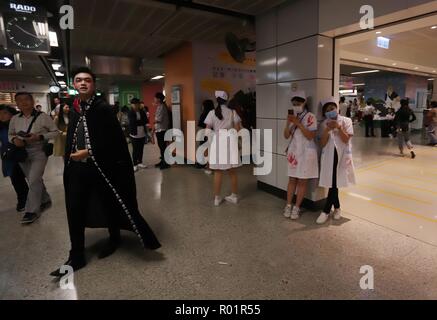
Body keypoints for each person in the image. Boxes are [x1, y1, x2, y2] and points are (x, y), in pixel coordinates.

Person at [50, 67, 161, 278]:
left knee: (109, 202)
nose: (83, 83)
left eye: (88, 80)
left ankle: (114, 238)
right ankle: (76, 256)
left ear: (94, 84)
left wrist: (89, 152)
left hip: (102, 168)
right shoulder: (74, 108)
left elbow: (115, 142)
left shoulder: (102, 109)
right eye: (79, 80)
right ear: (74, 84)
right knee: (74, 208)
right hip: (76, 169)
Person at [8, 92, 59, 224]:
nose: (23, 102)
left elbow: (55, 132)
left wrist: (39, 137)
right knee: (33, 179)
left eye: (26, 99)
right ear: (17, 103)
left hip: (39, 151)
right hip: (22, 152)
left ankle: (31, 211)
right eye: (19, 100)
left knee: (34, 180)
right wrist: (14, 140)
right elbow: (10, 134)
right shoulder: (14, 119)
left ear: (32, 101)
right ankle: (45, 199)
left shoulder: (43, 117)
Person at [317, 97, 356, 225]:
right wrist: (327, 130)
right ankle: (337, 208)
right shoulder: (323, 124)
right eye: (327, 110)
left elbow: (346, 140)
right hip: (329, 156)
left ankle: (326, 210)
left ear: (337, 108)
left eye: (332, 108)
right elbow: (322, 144)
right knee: (333, 182)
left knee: (334, 182)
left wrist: (339, 128)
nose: (330, 112)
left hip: (341, 157)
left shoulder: (346, 121)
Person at [283, 91, 319, 220]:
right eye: (294, 104)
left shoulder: (310, 117)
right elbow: (286, 136)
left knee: (302, 181)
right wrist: (288, 123)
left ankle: (296, 207)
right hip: (294, 151)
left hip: (307, 151)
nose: (296, 106)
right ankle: (288, 205)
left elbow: (311, 136)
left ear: (304, 103)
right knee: (292, 179)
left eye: (298, 103)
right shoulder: (292, 116)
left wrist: (298, 123)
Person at [204, 91, 242, 206]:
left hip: (217, 142)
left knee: (218, 172)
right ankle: (234, 196)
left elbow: (207, 131)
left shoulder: (211, 113)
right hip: (230, 141)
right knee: (232, 171)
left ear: (217, 99)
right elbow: (238, 129)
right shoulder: (232, 112)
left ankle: (217, 199)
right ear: (226, 100)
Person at [0, 104, 29, 212]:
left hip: (22, 154)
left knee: (32, 178)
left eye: (4, 113)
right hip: (9, 157)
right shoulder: (1, 128)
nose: (2, 116)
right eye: (0, 114)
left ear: (12, 114)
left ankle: (37, 199)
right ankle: (22, 200)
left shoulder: (19, 124)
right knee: (16, 180)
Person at [128, 98, 148, 171]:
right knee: (135, 149)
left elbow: (146, 120)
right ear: (132, 105)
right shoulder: (130, 112)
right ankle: (135, 164)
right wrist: (140, 122)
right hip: (134, 133)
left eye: (137, 104)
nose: (136, 105)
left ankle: (140, 162)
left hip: (142, 133)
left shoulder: (142, 111)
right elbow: (133, 122)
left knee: (141, 148)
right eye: (134, 104)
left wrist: (139, 122)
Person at [153, 92, 170, 170]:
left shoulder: (162, 107)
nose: (154, 99)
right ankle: (162, 161)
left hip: (162, 129)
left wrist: (154, 121)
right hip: (159, 129)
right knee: (161, 146)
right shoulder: (160, 106)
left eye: (155, 98)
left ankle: (165, 162)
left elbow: (158, 119)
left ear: (159, 99)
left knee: (163, 146)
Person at [196, 99, 215, 170]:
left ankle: (204, 164)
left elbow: (200, 124)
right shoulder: (215, 113)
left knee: (204, 149)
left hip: (205, 133)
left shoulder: (204, 114)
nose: (202, 107)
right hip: (213, 133)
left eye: (203, 105)